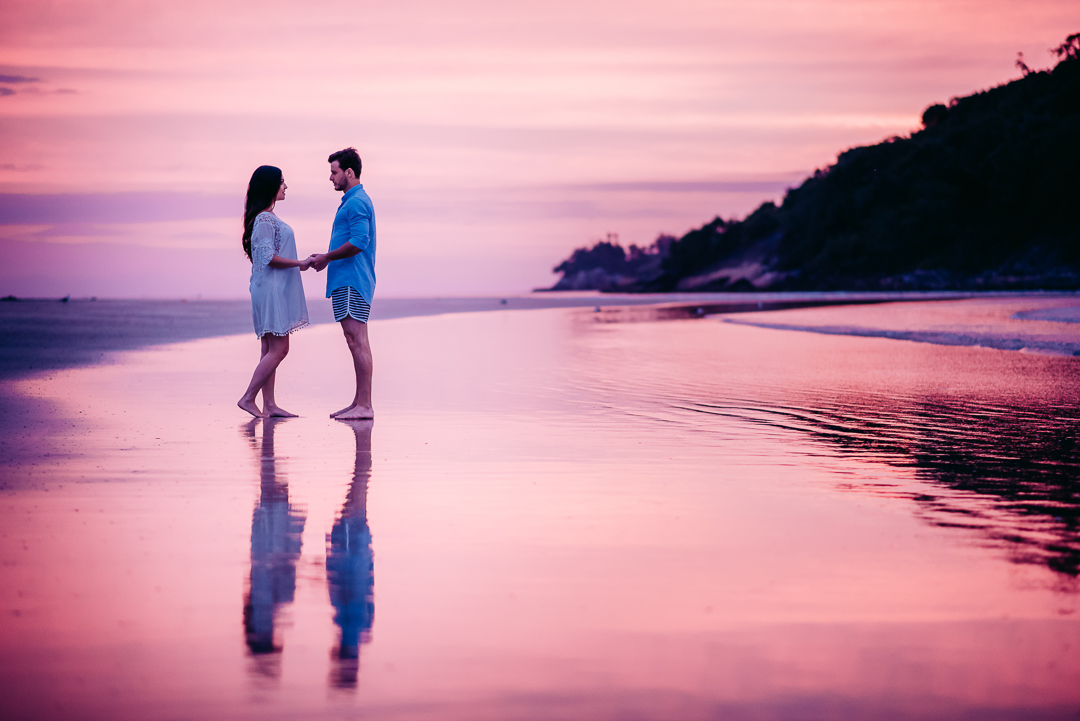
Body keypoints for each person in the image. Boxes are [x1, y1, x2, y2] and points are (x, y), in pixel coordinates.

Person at [237, 165, 312, 418]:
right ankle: (248, 398)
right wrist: (300, 263)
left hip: (266, 287)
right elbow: (268, 257)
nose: (286, 186)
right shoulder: (265, 219)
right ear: (270, 185)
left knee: (269, 349)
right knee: (280, 349)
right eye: (282, 181)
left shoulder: (263, 218)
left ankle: (269, 405)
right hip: (269, 289)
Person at [307, 148, 376, 420]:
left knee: (356, 341)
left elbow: (360, 242)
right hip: (348, 279)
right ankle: (360, 402)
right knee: (356, 341)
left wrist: (326, 257)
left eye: (334, 172)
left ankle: (365, 406)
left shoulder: (357, 201)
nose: (331, 178)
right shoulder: (352, 200)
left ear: (349, 172)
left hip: (352, 280)